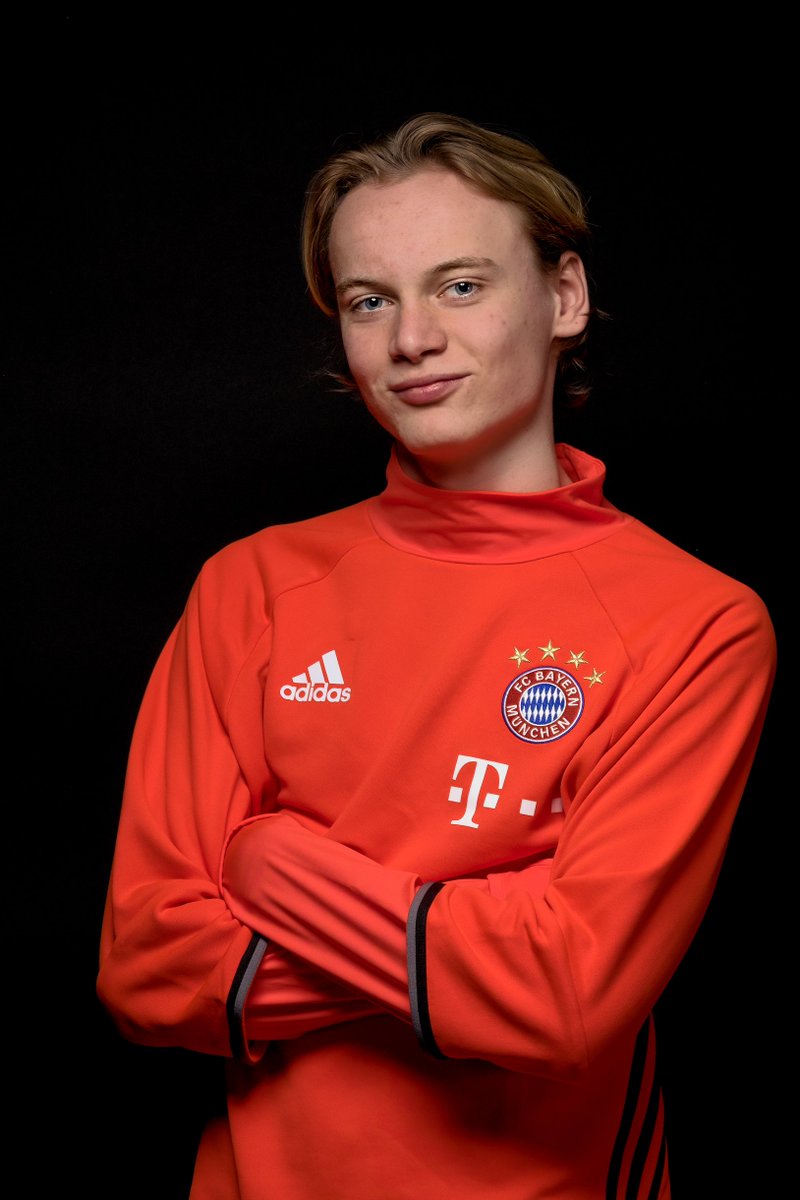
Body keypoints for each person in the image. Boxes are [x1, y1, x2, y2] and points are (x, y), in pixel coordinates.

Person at [97, 112, 777, 1199]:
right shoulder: (252, 587)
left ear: (563, 297)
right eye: (370, 301)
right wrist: (476, 934)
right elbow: (146, 968)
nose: (411, 338)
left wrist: (270, 865)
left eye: (459, 286)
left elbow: (566, 996)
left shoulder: (695, 623)